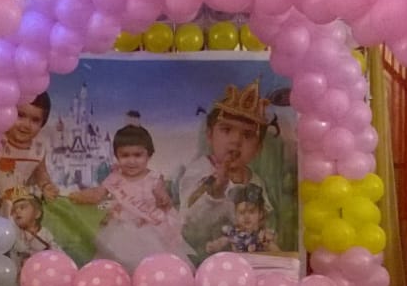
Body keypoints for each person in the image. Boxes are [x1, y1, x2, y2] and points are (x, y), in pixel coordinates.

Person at [70, 123, 191, 272]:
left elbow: (165, 203)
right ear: (117, 156)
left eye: (137, 155)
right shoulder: (114, 178)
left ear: (149, 155)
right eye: (125, 155)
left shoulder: (153, 179)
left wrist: (164, 200)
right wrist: (79, 196)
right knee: (115, 267)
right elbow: (97, 194)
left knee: (151, 267)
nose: (131, 161)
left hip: (149, 232)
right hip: (119, 232)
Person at [178, 80, 273, 256]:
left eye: (247, 135)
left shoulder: (255, 181)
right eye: (227, 130)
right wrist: (215, 193)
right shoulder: (200, 171)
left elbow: (264, 218)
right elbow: (188, 222)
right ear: (209, 135)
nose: (236, 141)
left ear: (258, 148)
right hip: (200, 256)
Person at [0, 92, 60, 216]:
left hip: (19, 208)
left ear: (42, 124)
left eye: (35, 120)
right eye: (20, 115)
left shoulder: (38, 150)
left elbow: (41, 174)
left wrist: (46, 186)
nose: (26, 125)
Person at [4, 189, 58, 286]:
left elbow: (58, 255)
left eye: (22, 207)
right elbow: (10, 222)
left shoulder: (45, 235)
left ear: (37, 214)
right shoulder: (14, 233)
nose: (17, 212)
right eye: (15, 210)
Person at [206, 184, 278, 253]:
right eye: (242, 213)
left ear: (260, 214)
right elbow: (222, 241)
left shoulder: (264, 234)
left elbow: (278, 254)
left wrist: (267, 244)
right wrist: (215, 246)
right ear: (236, 215)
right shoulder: (234, 234)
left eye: (251, 212)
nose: (246, 217)